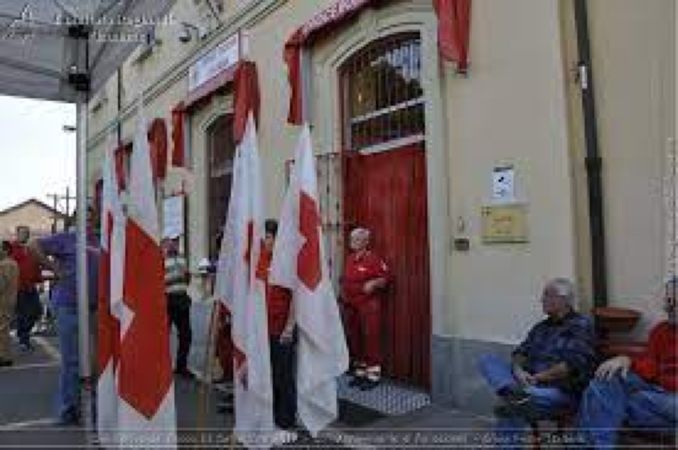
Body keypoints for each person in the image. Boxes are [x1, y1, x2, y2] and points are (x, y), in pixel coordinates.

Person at [477, 278, 596, 449]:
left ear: (563, 300)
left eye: (547, 295)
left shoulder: (581, 325)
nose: (542, 300)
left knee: (508, 406)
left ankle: (515, 394)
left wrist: (537, 378)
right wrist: (518, 371)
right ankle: (513, 391)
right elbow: (520, 352)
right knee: (488, 360)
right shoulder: (541, 327)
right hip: (526, 383)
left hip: (558, 391)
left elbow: (572, 365)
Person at [577, 277, 677, 448]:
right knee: (606, 380)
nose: (668, 307)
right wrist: (626, 359)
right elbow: (649, 367)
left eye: (675, 301)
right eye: (668, 301)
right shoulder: (662, 330)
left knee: (609, 404)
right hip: (657, 394)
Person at [31, 210, 99, 425]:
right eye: (83, 217)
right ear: (75, 220)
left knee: (96, 359)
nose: (88, 221)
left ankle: (93, 404)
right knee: (72, 360)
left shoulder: (99, 240)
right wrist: (54, 268)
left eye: (91, 217)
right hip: (68, 305)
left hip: (94, 307)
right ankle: (68, 409)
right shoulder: (66, 238)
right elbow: (33, 246)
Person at [259, 219, 297, 434]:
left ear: (276, 238)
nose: (265, 241)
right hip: (263, 330)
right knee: (269, 375)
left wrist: (289, 327)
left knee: (283, 376)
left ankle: (286, 419)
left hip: (281, 331)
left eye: (268, 237)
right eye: (264, 237)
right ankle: (271, 415)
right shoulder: (261, 261)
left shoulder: (285, 262)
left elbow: (296, 297)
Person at [341, 227, 390, 390]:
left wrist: (374, 283)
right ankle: (360, 372)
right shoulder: (349, 259)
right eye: (351, 239)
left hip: (368, 306)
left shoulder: (373, 259)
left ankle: (373, 375)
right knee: (356, 339)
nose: (352, 242)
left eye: (356, 239)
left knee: (370, 339)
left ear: (365, 242)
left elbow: (385, 278)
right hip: (351, 306)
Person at [163, 234, 194, 379]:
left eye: (177, 241)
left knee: (186, 335)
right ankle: (162, 367)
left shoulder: (182, 257)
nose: (175, 244)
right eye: (172, 241)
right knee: (163, 336)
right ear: (166, 242)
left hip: (181, 299)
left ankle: (181, 366)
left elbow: (187, 277)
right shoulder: (161, 257)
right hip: (167, 300)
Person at [10, 225, 43, 352]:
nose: (25, 235)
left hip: (31, 286)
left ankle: (23, 335)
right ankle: (24, 340)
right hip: (18, 286)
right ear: (17, 234)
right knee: (23, 314)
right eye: (23, 233)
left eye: (27, 233)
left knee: (36, 312)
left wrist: (39, 282)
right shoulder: (11, 248)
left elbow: (36, 265)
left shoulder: (31, 249)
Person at [0, 240, 19, 366]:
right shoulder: (14, 263)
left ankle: (3, 356)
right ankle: (6, 356)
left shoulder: (3, 265)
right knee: (4, 328)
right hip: (10, 299)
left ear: (5, 250)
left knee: (2, 329)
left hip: (2, 300)